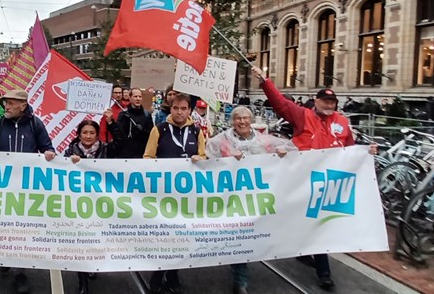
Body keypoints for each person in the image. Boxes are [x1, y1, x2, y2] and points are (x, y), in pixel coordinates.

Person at [251, 66, 375, 289]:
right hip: (301, 180)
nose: (329, 105)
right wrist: (264, 80)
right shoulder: (303, 115)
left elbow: (350, 149)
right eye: (325, 101)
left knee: (320, 224)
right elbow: (280, 103)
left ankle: (323, 271)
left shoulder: (342, 122)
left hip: (328, 183)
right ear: (315, 101)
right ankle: (302, 250)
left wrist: (366, 153)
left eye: (332, 102)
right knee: (301, 218)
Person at [206, 106, 295, 294]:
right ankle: (240, 279)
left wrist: (282, 153)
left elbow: (291, 150)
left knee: (252, 235)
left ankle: (241, 267)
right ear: (232, 121)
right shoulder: (221, 141)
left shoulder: (263, 140)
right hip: (232, 198)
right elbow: (210, 159)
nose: (242, 121)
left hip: (256, 199)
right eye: (238, 118)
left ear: (251, 120)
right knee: (239, 236)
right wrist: (227, 159)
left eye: (245, 118)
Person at [0, 89, 55, 293]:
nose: (6, 106)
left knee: (21, 229)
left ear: (23, 105)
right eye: (5, 103)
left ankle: (20, 272)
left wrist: (49, 153)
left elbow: (47, 147)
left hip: (26, 189)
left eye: (10, 103)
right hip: (3, 186)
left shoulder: (36, 124)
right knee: (3, 225)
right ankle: (5, 256)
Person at [143, 93, 205, 294]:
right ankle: (157, 273)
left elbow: (204, 157)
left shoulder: (196, 131)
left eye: (183, 108)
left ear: (189, 111)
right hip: (164, 194)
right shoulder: (159, 130)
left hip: (187, 196)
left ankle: (173, 274)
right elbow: (148, 157)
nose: (179, 112)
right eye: (176, 108)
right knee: (163, 236)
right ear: (170, 109)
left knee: (181, 236)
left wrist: (200, 159)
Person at [62, 109, 123, 294]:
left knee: (96, 240)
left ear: (97, 135)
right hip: (79, 204)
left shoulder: (105, 149)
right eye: (84, 132)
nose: (88, 136)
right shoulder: (70, 151)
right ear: (79, 134)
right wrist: (68, 162)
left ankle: (93, 265)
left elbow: (121, 141)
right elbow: (60, 172)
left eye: (91, 133)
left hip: (100, 204)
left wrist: (111, 122)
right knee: (81, 242)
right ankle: (82, 282)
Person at [116, 88, 154, 158]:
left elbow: (151, 134)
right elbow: (119, 134)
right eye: (135, 96)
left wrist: (142, 131)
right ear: (130, 98)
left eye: (140, 96)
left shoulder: (146, 115)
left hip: (142, 152)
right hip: (126, 154)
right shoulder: (123, 114)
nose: (138, 99)